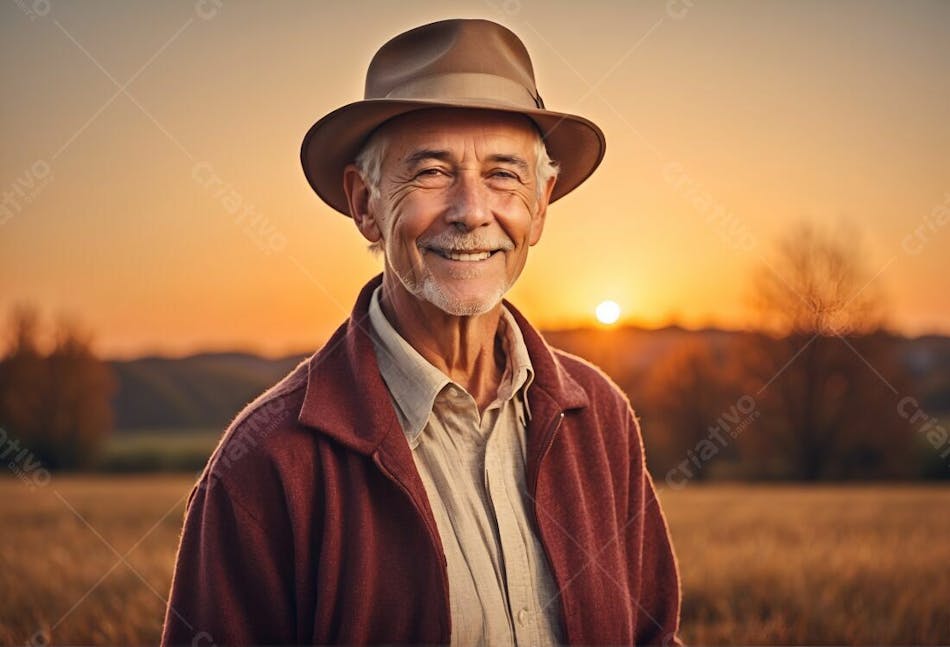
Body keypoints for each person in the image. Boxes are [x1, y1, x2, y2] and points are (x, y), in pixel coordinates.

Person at [161, 18, 682, 646]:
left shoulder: (599, 420)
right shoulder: (265, 467)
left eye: (503, 174)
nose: (470, 210)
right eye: (432, 171)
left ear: (540, 205)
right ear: (365, 204)